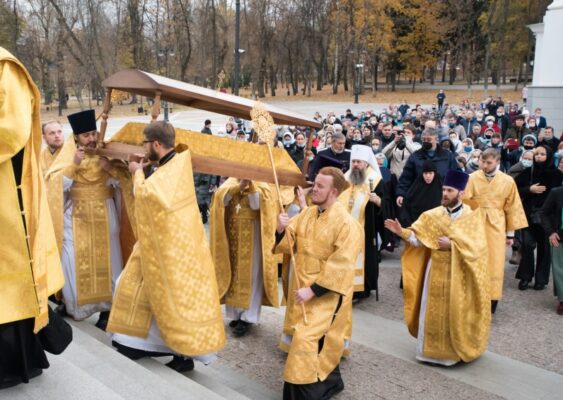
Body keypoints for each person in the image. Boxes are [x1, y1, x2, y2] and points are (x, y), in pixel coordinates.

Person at [109, 121, 225, 372]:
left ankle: (182, 353)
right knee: (132, 286)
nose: (143, 147)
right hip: (161, 243)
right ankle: (135, 343)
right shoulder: (173, 163)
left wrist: (136, 172)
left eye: (145, 143)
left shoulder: (172, 169)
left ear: (157, 144)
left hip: (173, 250)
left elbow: (150, 196)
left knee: (169, 297)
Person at [0, 46, 65, 388]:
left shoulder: (5, 68)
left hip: (8, 196)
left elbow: (11, 130)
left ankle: (13, 365)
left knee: (9, 283)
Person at [384, 170, 491, 366]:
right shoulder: (431, 215)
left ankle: (451, 354)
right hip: (434, 271)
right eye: (443, 189)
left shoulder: (472, 217)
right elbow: (419, 240)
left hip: (460, 273)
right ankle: (428, 353)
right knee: (430, 309)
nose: (444, 193)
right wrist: (402, 233)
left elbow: (479, 249)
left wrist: (453, 246)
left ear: (461, 193)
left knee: (455, 311)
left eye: (449, 190)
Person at [276, 167, 363, 400]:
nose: (314, 188)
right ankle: (331, 380)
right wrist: (281, 229)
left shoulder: (347, 224)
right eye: (314, 184)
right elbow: (289, 240)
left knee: (305, 339)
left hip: (327, 293)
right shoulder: (307, 213)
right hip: (302, 285)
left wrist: (313, 290)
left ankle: (302, 393)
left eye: (320, 186)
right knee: (310, 338)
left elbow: (342, 263)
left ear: (334, 192)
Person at [45, 109, 133, 329]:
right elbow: (54, 184)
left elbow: (125, 181)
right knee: (70, 260)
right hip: (75, 217)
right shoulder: (68, 153)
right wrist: (73, 164)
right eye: (87, 135)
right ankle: (71, 303)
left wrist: (110, 167)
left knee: (110, 261)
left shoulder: (107, 152)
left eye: (94, 134)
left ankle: (107, 309)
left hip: (105, 214)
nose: (92, 138)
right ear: (76, 137)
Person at [210, 178, 278, 337]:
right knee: (233, 274)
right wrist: (237, 187)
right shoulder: (230, 182)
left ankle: (248, 317)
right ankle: (235, 314)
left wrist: (251, 185)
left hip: (253, 237)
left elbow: (257, 205)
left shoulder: (262, 184)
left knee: (252, 276)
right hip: (233, 234)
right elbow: (221, 200)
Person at [464, 149, 528, 313]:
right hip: (475, 223)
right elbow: (464, 202)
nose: (484, 165)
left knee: (495, 262)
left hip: (497, 224)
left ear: (497, 162)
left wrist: (511, 234)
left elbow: (512, 207)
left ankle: (492, 298)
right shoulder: (472, 178)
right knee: (473, 259)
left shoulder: (507, 181)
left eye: (489, 163)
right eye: (482, 162)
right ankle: (471, 297)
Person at [338, 145, 391, 300]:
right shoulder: (346, 177)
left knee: (365, 257)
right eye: (353, 161)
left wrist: (378, 201)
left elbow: (387, 204)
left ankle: (362, 289)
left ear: (366, 163)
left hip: (366, 227)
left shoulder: (375, 179)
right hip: (345, 227)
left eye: (359, 162)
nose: (355, 165)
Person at [515, 145, 563, 290]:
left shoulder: (557, 174)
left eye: (542, 154)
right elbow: (515, 187)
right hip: (530, 214)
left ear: (548, 156)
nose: (539, 156)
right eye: (537, 154)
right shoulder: (529, 172)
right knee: (528, 245)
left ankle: (541, 279)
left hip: (548, 217)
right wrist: (529, 189)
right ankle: (525, 277)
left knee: (545, 247)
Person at [395, 128, 458, 208]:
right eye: (424, 140)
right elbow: (406, 178)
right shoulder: (415, 156)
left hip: (442, 198)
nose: (426, 142)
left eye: (429, 140)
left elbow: (456, 175)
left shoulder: (447, 156)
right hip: (420, 198)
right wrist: (401, 194)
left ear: (436, 139)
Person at [540, 186, 563, 315]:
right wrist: (551, 232)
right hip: (559, 237)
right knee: (560, 270)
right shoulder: (557, 192)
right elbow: (544, 213)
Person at [399, 161, 443, 227]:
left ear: (434, 173)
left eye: (430, 173)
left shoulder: (441, 188)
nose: (428, 176)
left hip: (437, 226)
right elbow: (407, 207)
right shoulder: (416, 187)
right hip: (417, 225)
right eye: (425, 173)